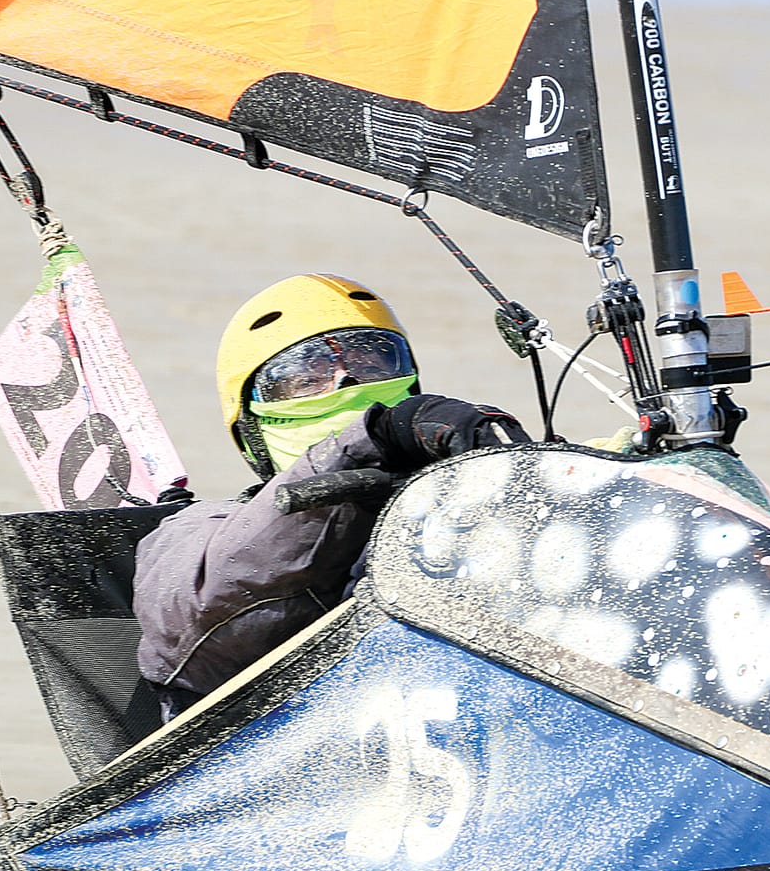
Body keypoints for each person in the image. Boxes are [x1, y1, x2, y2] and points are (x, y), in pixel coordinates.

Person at [133, 273, 527, 714]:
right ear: (251, 430)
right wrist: (371, 437)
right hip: (302, 758)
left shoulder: (455, 509)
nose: (347, 384)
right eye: (307, 378)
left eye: (373, 364)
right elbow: (206, 608)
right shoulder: (193, 532)